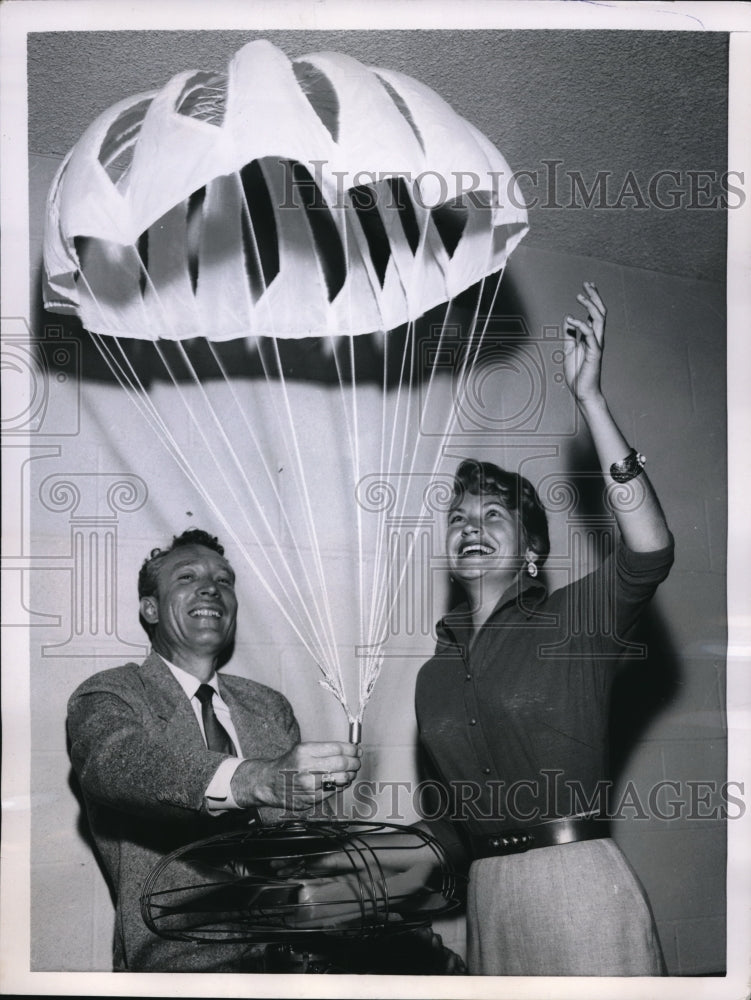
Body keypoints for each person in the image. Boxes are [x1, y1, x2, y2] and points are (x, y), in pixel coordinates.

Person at [414, 281, 675, 976]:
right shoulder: (432, 674)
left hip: (576, 884)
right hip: (486, 896)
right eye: (460, 519)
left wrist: (588, 399)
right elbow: (448, 822)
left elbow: (648, 548)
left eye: (493, 515)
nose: (471, 527)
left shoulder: (571, 622)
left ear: (531, 547)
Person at [66, 528, 361, 972]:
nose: (210, 587)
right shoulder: (109, 694)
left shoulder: (268, 706)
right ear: (149, 608)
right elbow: (118, 765)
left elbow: (304, 846)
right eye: (187, 577)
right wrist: (253, 779)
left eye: (224, 581)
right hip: (181, 962)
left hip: (304, 957)